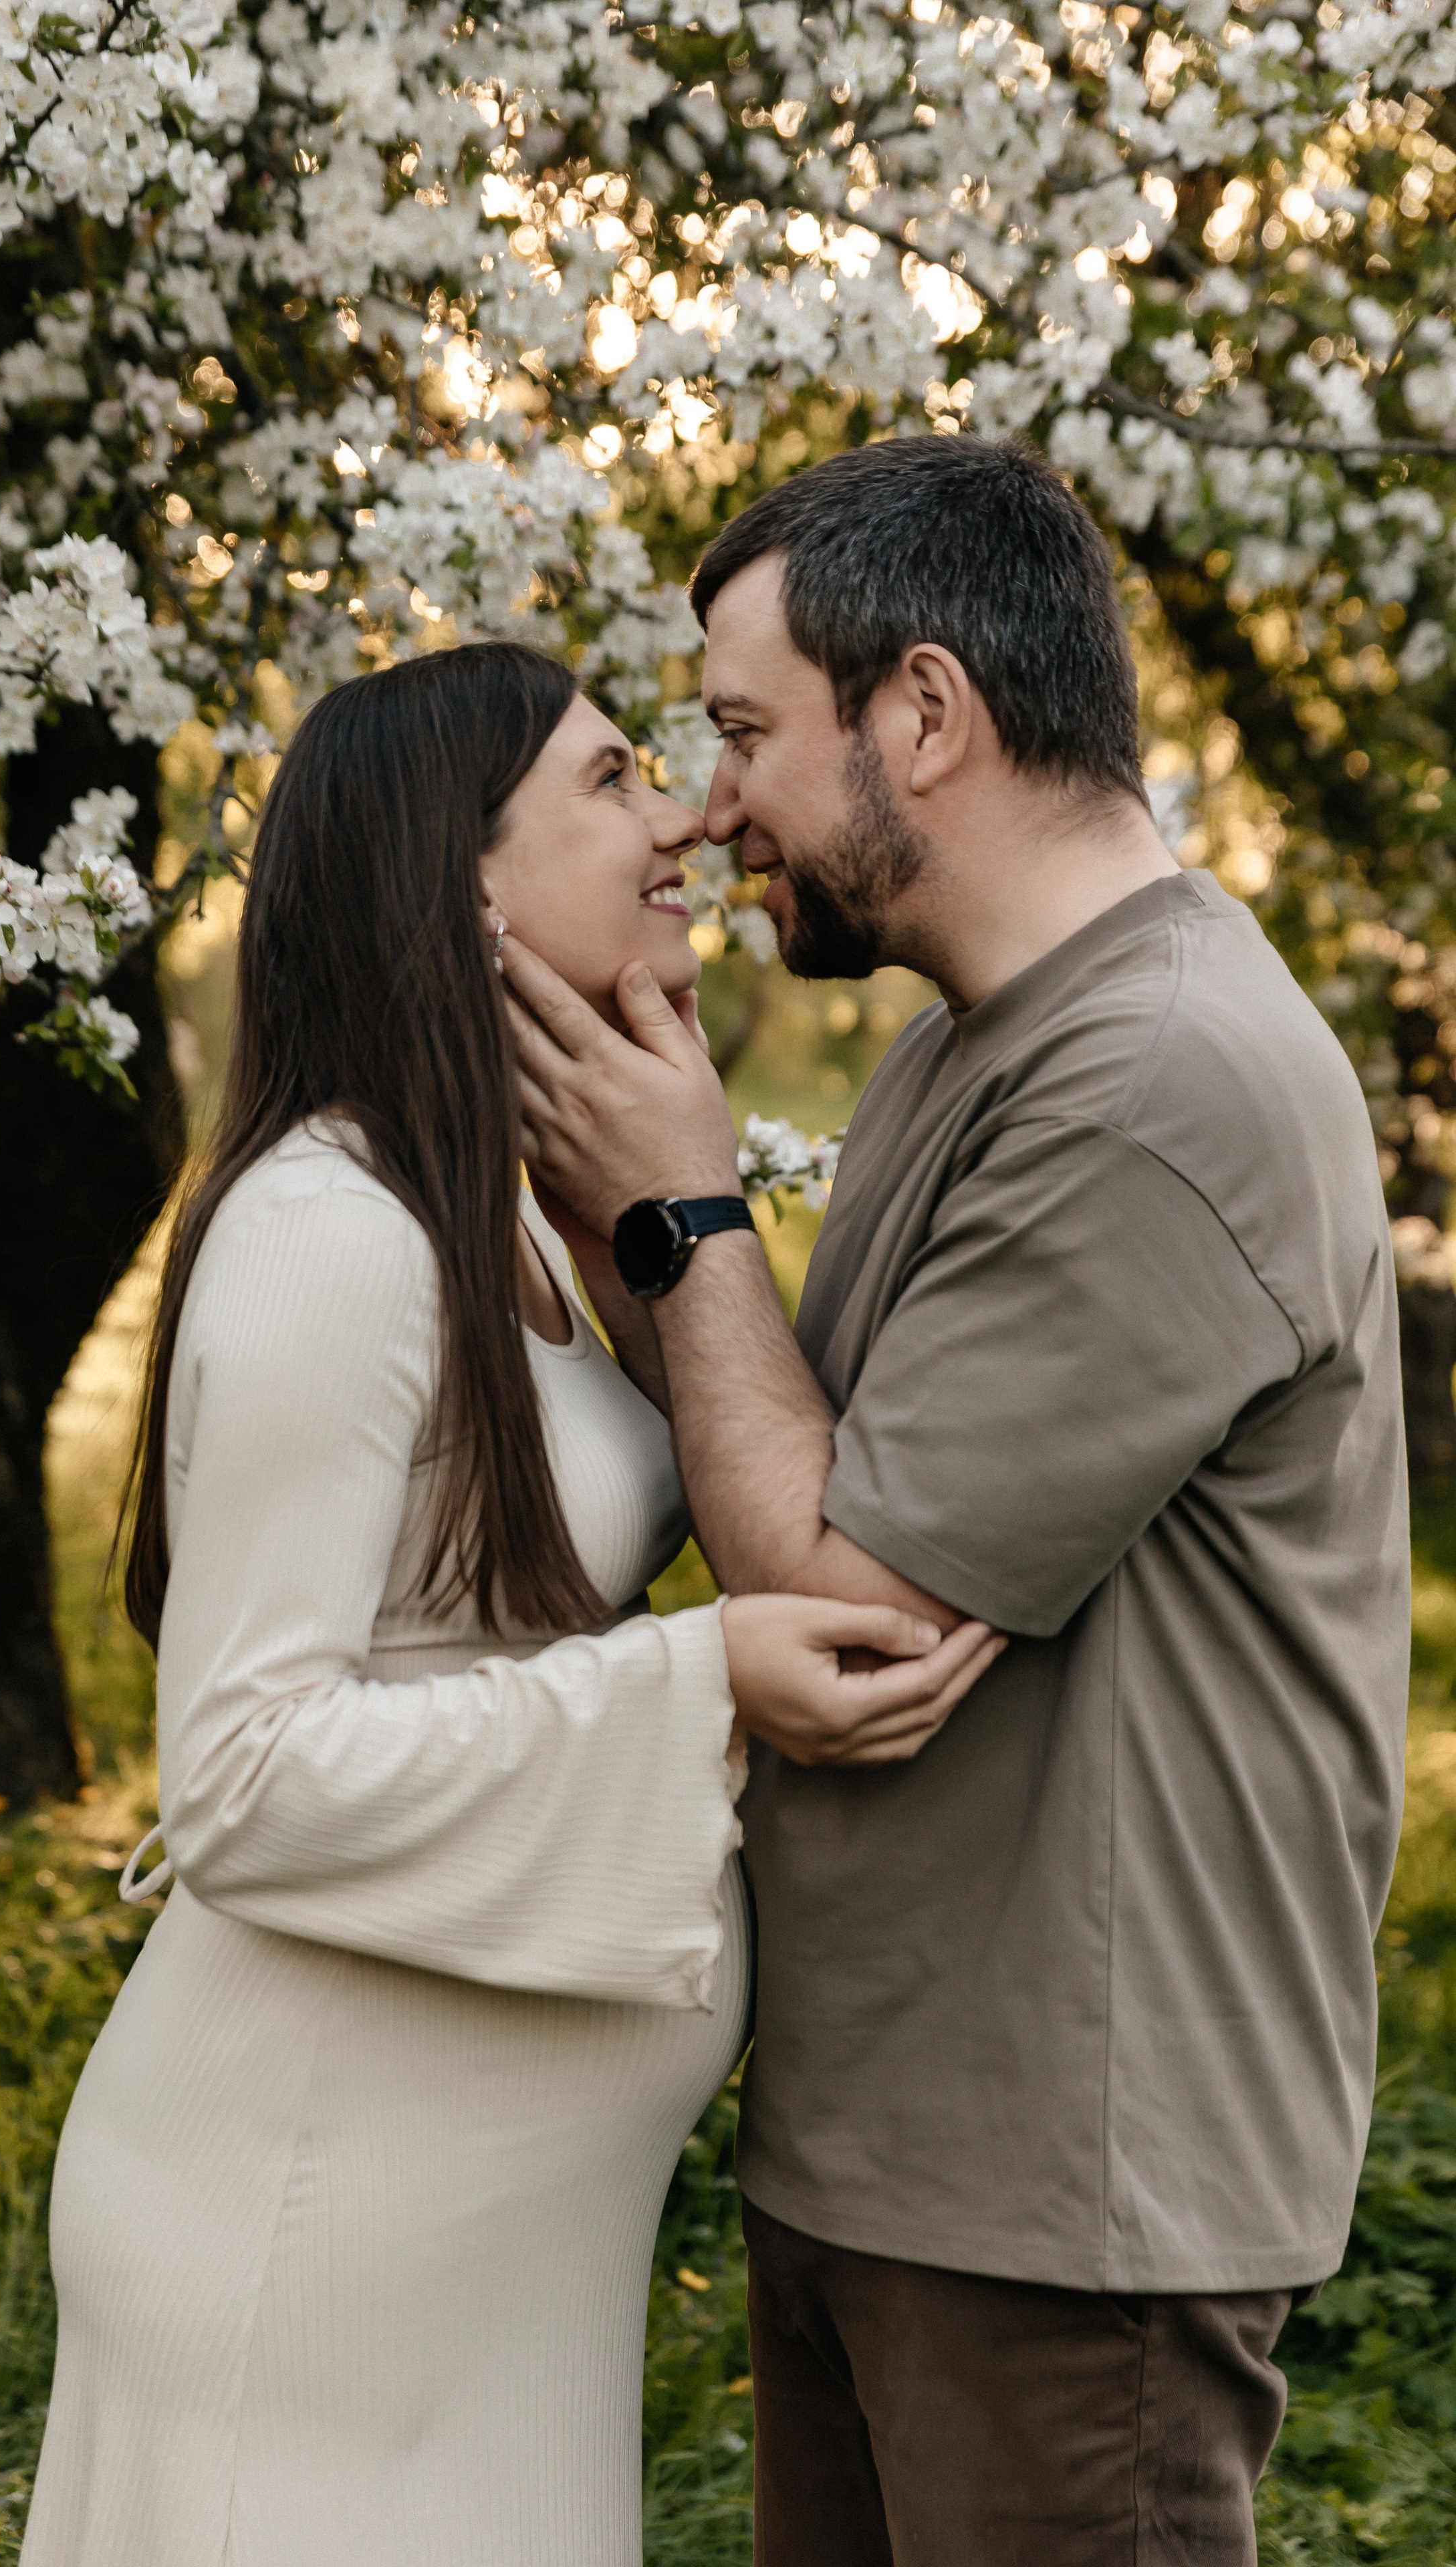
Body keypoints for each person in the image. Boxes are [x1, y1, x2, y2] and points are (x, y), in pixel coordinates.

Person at [505, 437, 1411, 2566]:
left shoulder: (1161, 1076)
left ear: (923, 711)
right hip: (896, 2145)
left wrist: (680, 1212)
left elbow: (842, 1599)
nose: (713, 805)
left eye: (745, 732)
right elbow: (782, 1460)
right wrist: (623, 1201)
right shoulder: (961, 1049)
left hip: (1067, 2193)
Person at [18, 640, 1001, 2567]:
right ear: (460, 879)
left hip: (477, 2248)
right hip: (307, 2220)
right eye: (615, 780)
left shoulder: (505, 1225)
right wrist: (701, 1684)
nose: (685, 820)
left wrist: (656, 1215)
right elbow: (239, 1775)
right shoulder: (331, 1234)